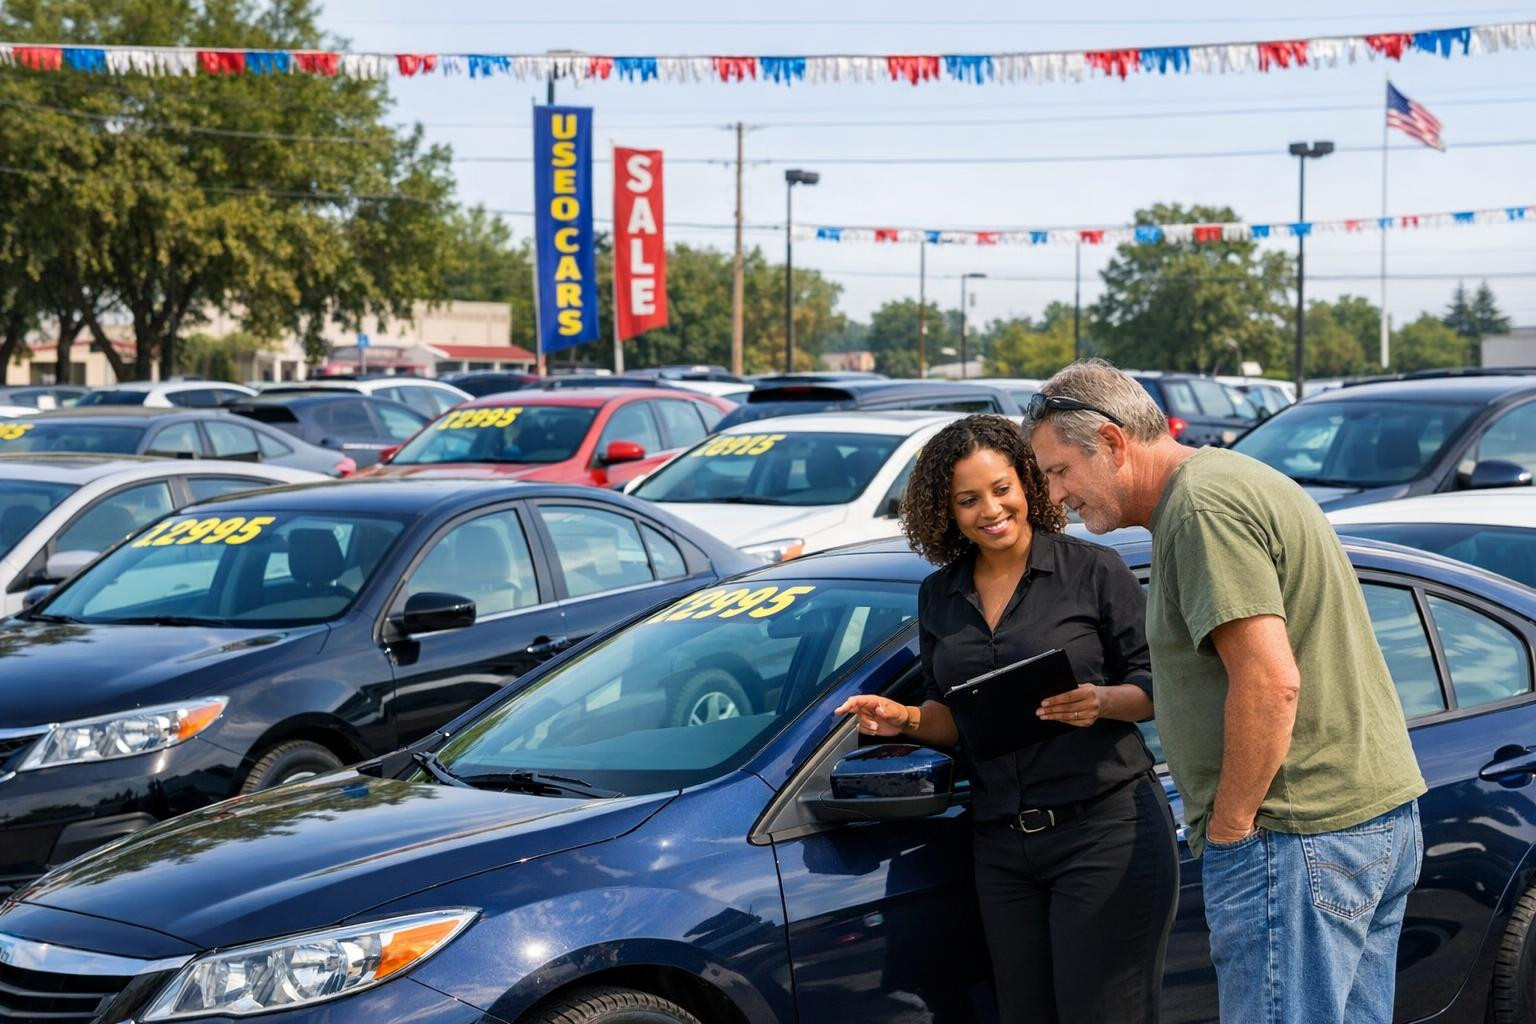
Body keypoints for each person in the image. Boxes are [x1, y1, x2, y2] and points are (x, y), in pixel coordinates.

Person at [1024, 359, 1425, 1024]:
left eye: (1060, 470)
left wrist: (1232, 828)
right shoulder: (1229, 480)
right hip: (1359, 820)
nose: (1056, 496)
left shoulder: (1200, 508)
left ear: (1114, 442)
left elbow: (1270, 682)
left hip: (1292, 831)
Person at [835, 414, 1178, 1024]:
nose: (990, 510)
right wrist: (905, 718)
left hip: (1103, 830)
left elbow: (1159, 685)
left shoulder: (1094, 570)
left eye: (1001, 489)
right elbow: (951, 714)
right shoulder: (938, 594)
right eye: (968, 500)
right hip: (1001, 846)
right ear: (947, 511)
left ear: (1027, 483)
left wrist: (1101, 701)